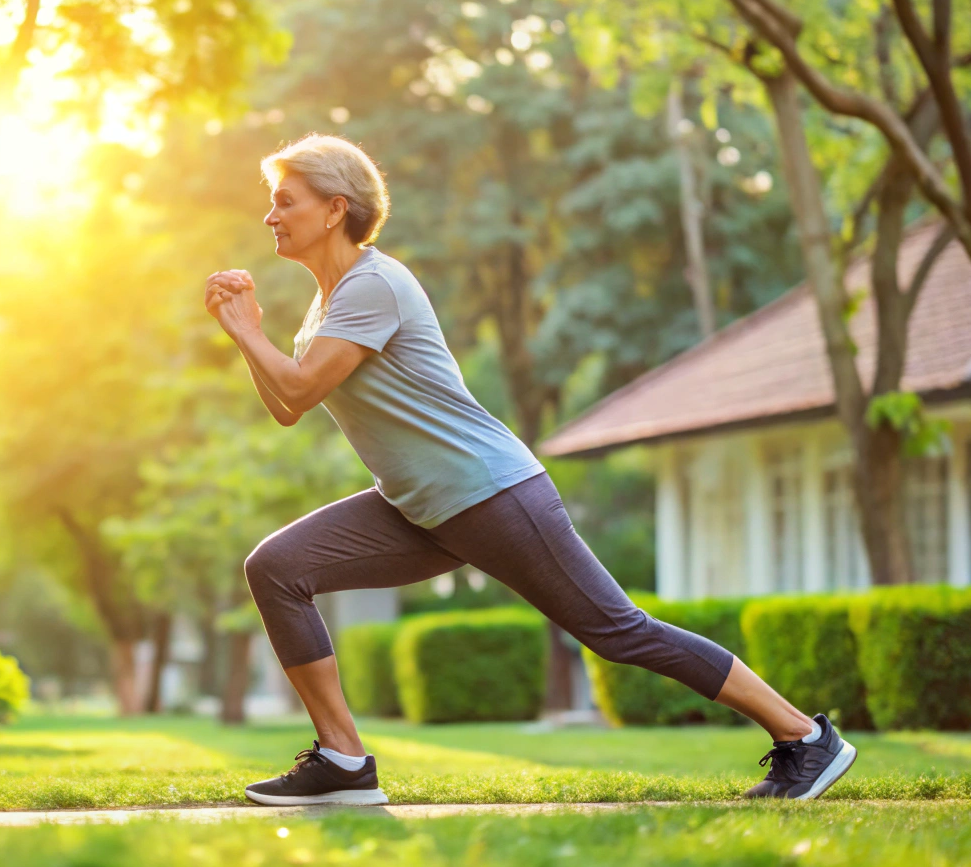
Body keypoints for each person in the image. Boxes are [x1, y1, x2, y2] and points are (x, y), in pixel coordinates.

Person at [204, 133, 856, 807]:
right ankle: (342, 760)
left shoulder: (373, 284)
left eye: (285, 201)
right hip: (420, 506)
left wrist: (248, 330)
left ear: (335, 209)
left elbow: (302, 387)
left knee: (617, 631)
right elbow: (287, 407)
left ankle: (807, 738)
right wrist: (247, 335)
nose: (270, 216)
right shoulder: (329, 303)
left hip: (490, 492)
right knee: (277, 567)